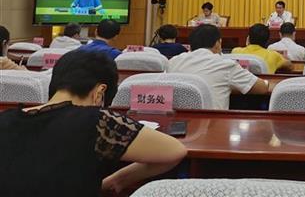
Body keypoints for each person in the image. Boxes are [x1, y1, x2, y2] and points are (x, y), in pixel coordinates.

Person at [0, 50, 187, 197]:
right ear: (100, 93)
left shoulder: (5, 118)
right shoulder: (97, 122)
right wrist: (118, 179)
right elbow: (175, 151)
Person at [169, 25, 268, 109]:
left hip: (176, 123)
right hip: (212, 123)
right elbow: (262, 88)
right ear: (218, 43)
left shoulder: (173, 61)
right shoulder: (225, 64)